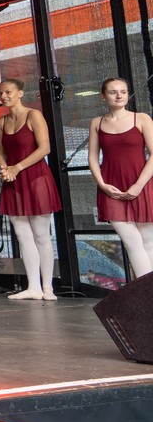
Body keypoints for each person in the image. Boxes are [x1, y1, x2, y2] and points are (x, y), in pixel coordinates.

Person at [0, 78, 63, 301]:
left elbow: (45, 148)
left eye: (8, 92)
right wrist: (5, 169)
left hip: (36, 178)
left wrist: (16, 167)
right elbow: (0, 152)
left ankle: (48, 287)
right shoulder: (2, 121)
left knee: (41, 235)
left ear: (20, 93)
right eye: (1, 93)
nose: (4, 96)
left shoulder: (34, 115)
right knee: (23, 236)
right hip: (13, 181)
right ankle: (33, 286)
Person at [87, 77, 153, 278]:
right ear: (103, 96)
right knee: (131, 242)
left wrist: (138, 186)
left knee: (148, 241)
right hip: (110, 188)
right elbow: (92, 158)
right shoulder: (97, 122)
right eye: (113, 92)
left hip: (141, 184)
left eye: (123, 91)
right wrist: (102, 184)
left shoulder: (141, 119)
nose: (119, 96)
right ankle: (146, 291)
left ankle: (146, 291)